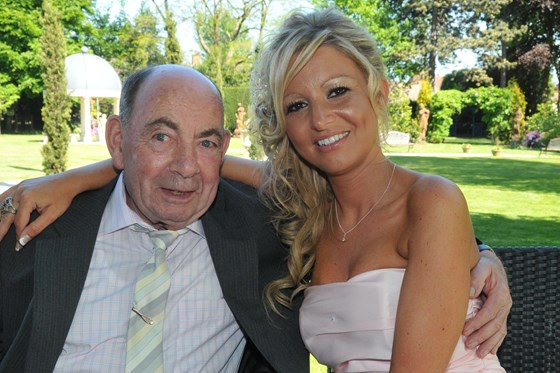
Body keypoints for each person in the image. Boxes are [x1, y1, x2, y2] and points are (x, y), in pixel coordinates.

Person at [0, 10, 511, 372]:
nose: (321, 119)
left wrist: (482, 254)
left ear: (378, 91)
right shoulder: (302, 211)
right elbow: (203, 167)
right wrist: (76, 178)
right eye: (296, 105)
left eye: (337, 92)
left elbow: (431, 227)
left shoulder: (428, 204)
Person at [0, 65, 308, 372]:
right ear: (118, 140)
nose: (186, 167)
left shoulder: (265, 229)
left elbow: (318, 190)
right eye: (162, 137)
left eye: (206, 143)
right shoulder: (33, 228)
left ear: (223, 148)